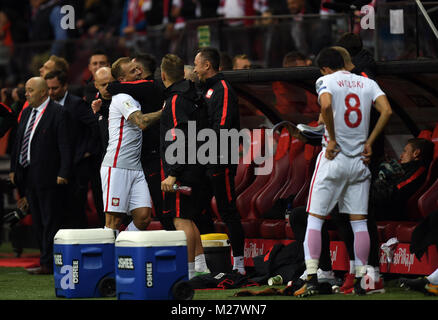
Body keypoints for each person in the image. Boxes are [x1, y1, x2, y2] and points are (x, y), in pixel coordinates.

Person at [293, 48, 392, 297]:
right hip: (359, 161)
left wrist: (332, 138)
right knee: (359, 223)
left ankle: (314, 277)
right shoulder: (366, 82)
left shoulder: (325, 81)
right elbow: (387, 110)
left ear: (325, 68)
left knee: (315, 219)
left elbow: (325, 104)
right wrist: (370, 141)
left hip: (333, 158)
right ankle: (363, 279)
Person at [9, 77, 71, 275]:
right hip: (28, 176)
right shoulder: (26, 112)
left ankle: (49, 262)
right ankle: (44, 259)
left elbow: (65, 145)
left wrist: (63, 172)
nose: (26, 94)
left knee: (49, 221)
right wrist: (13, 168)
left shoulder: (58, 112)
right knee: (37, 220)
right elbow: (18, 142)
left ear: (43, 92)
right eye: (26, 90)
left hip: (49, 176)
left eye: (30, 90)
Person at [194, 47, 246, 275]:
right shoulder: (206, 89)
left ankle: (240, 265)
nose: (194, 68)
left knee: (227, 210)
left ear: (207, 65)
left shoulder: (222, 89)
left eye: (196, 64)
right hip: (205, 160)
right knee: (199, 208)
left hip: (220, 159)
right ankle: (205, 263)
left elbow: (221, 127)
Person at [159, 53, 209, 279]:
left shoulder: (176, 100)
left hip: (183, 168)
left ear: (163, 75)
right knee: (188, 217)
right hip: (197, 164)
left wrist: (173, 173)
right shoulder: (191, 95)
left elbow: (182, 136)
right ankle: (200, 265)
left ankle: (187, 271)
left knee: (181, 219)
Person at [100, 61, 162, 237]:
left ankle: (121, 248)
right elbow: (142, 122)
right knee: (113, 221)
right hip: (117, 165)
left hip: (136, 167)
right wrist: (166, 110)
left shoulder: (134, 95)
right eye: (132, 71)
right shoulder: (121, 97)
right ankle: (108, 262)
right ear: (122, 79)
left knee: (143, 217)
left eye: (138, 68)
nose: (138, 71)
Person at [44, 70, 101, 229]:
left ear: (65, 86)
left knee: (76, 210)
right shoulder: (47, 107)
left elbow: (94, 126)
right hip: (55, 165)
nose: (50, 92)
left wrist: (88, 149)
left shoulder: (76, 104)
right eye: (48, 88)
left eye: (54, 88)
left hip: (77, 167)